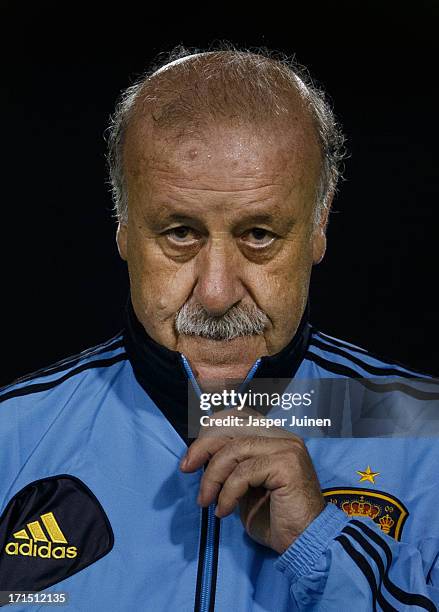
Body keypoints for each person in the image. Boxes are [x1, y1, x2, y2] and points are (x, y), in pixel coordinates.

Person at [0, 45, 438, 611]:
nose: (216, 292)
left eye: (259, 235)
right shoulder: (12, 438)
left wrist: (318, 546)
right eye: (180, 232)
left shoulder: (422, 434)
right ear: (124, 229)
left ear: (318, 227)